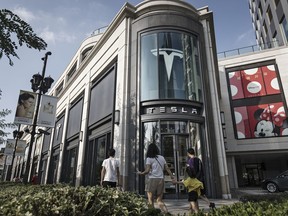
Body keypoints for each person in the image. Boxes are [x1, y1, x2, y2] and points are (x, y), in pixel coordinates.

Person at [137, 143, 176, 213]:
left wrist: (141, 173)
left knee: (150, 200)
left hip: (152, 179)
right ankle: (167, 213)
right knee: (159, 200)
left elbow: (147, 171)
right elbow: (167, 168)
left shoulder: (149, 159)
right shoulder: (162, 157)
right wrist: (172, 177)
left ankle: (152, 214)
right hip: (161, 179)